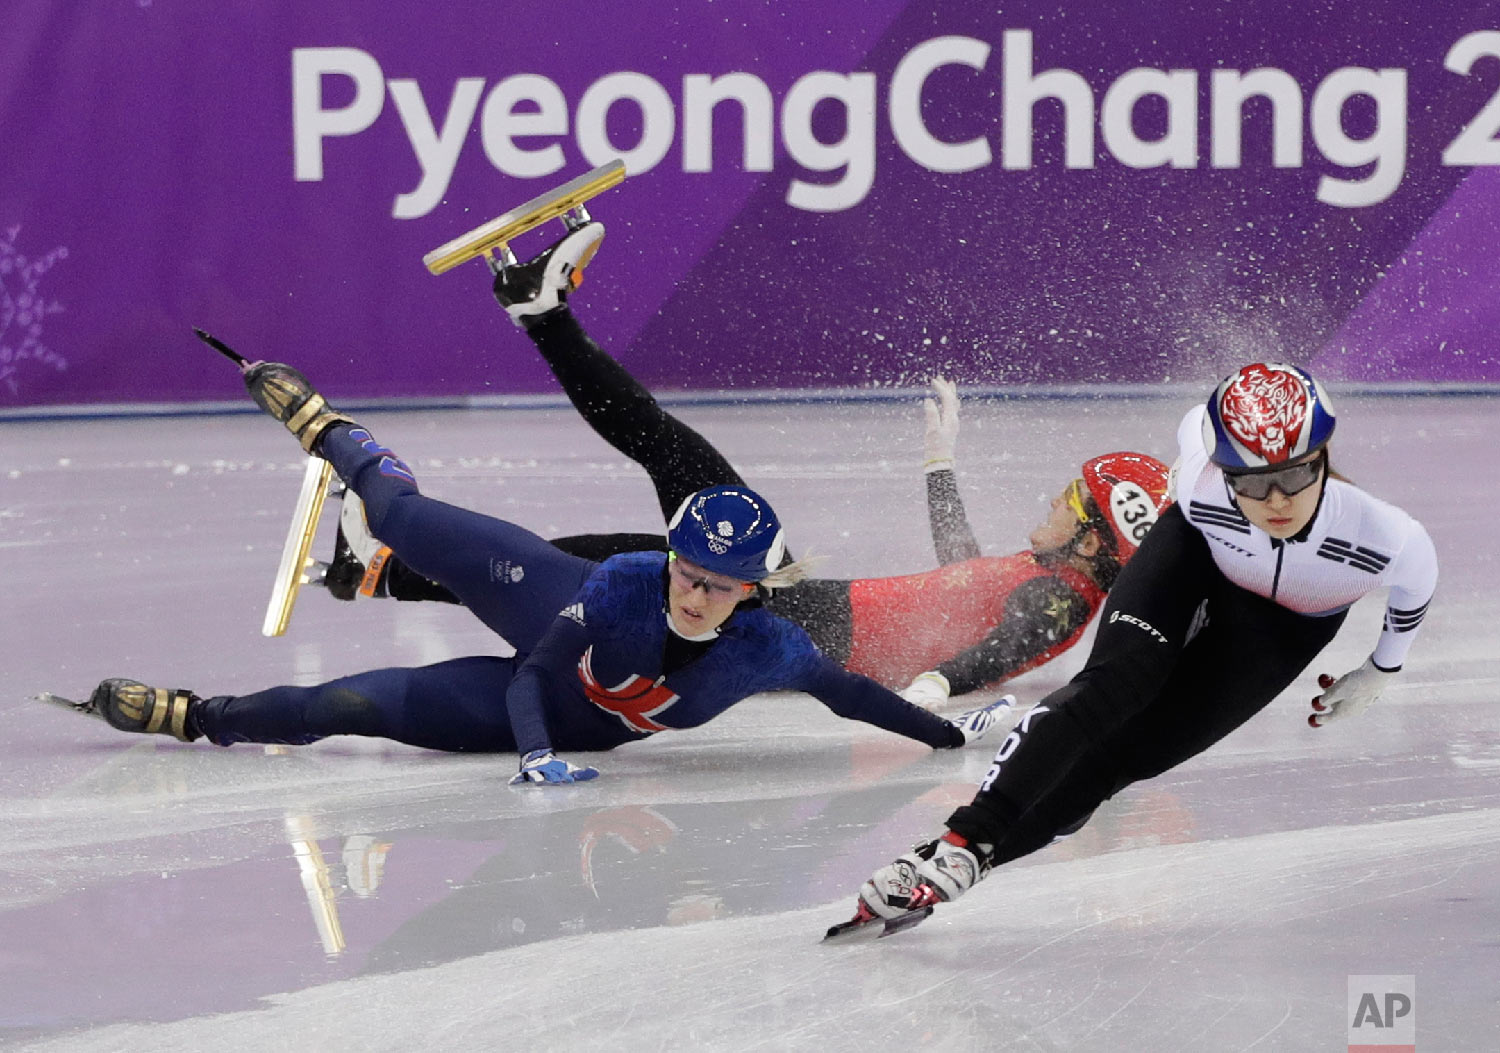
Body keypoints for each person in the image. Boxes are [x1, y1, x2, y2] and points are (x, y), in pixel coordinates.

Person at [322, 220, 1173, 705]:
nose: (1053, 500)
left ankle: (542, 313)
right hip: (802, 611)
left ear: (1097, 538)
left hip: (802, 625)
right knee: (608, 551)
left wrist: (935, 694)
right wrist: (940, 464)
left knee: (669, 455)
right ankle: (387, 576)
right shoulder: (1050, 577)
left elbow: (995, 654)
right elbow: (968, 580)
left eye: (1071, 497)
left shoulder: (1065, 600)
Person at [52, 356, 1015, 784]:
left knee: (344, 707)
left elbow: (853, 696)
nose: (694, 593)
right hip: (551, 633)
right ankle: (334, 434)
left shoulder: (774, 650)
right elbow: (536, 669)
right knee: (398, 514)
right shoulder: (630, 581)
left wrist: (945, 738)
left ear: (752, 595)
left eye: (718, 587)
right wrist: (532, 754)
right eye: (689, 571)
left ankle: (193, 716)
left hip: (565, 716)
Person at [845, 360, 1439, 930]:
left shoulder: (1386, 537)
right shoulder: (1202, 478)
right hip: (1195, 552)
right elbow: (1194, 432)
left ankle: (964, 864)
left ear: (1324, 457)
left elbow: (1418, 586)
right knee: (1115, 685)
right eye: (1253, 483)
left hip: (1285, 624)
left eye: (1295, 475)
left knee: (1127, 759)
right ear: (1223, 469)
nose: (1276, 501)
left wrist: (1381, 669)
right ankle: (964, 839)